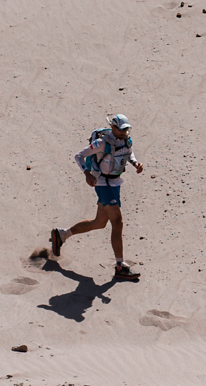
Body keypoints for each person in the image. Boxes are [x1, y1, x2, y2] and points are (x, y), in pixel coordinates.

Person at [49, 114, 143, 280]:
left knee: (99, 223)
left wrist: (135, 163)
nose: (124, 132)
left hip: (115, 184)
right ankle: (120, 265)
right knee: (118, 222)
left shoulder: (126, 141)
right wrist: (87, 174)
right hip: (103, 185)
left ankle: (62, 234)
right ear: (113, 128)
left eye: (126, 129)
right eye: (121, 130)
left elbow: (129, 154)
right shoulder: (101, 143)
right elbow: (79, 156)